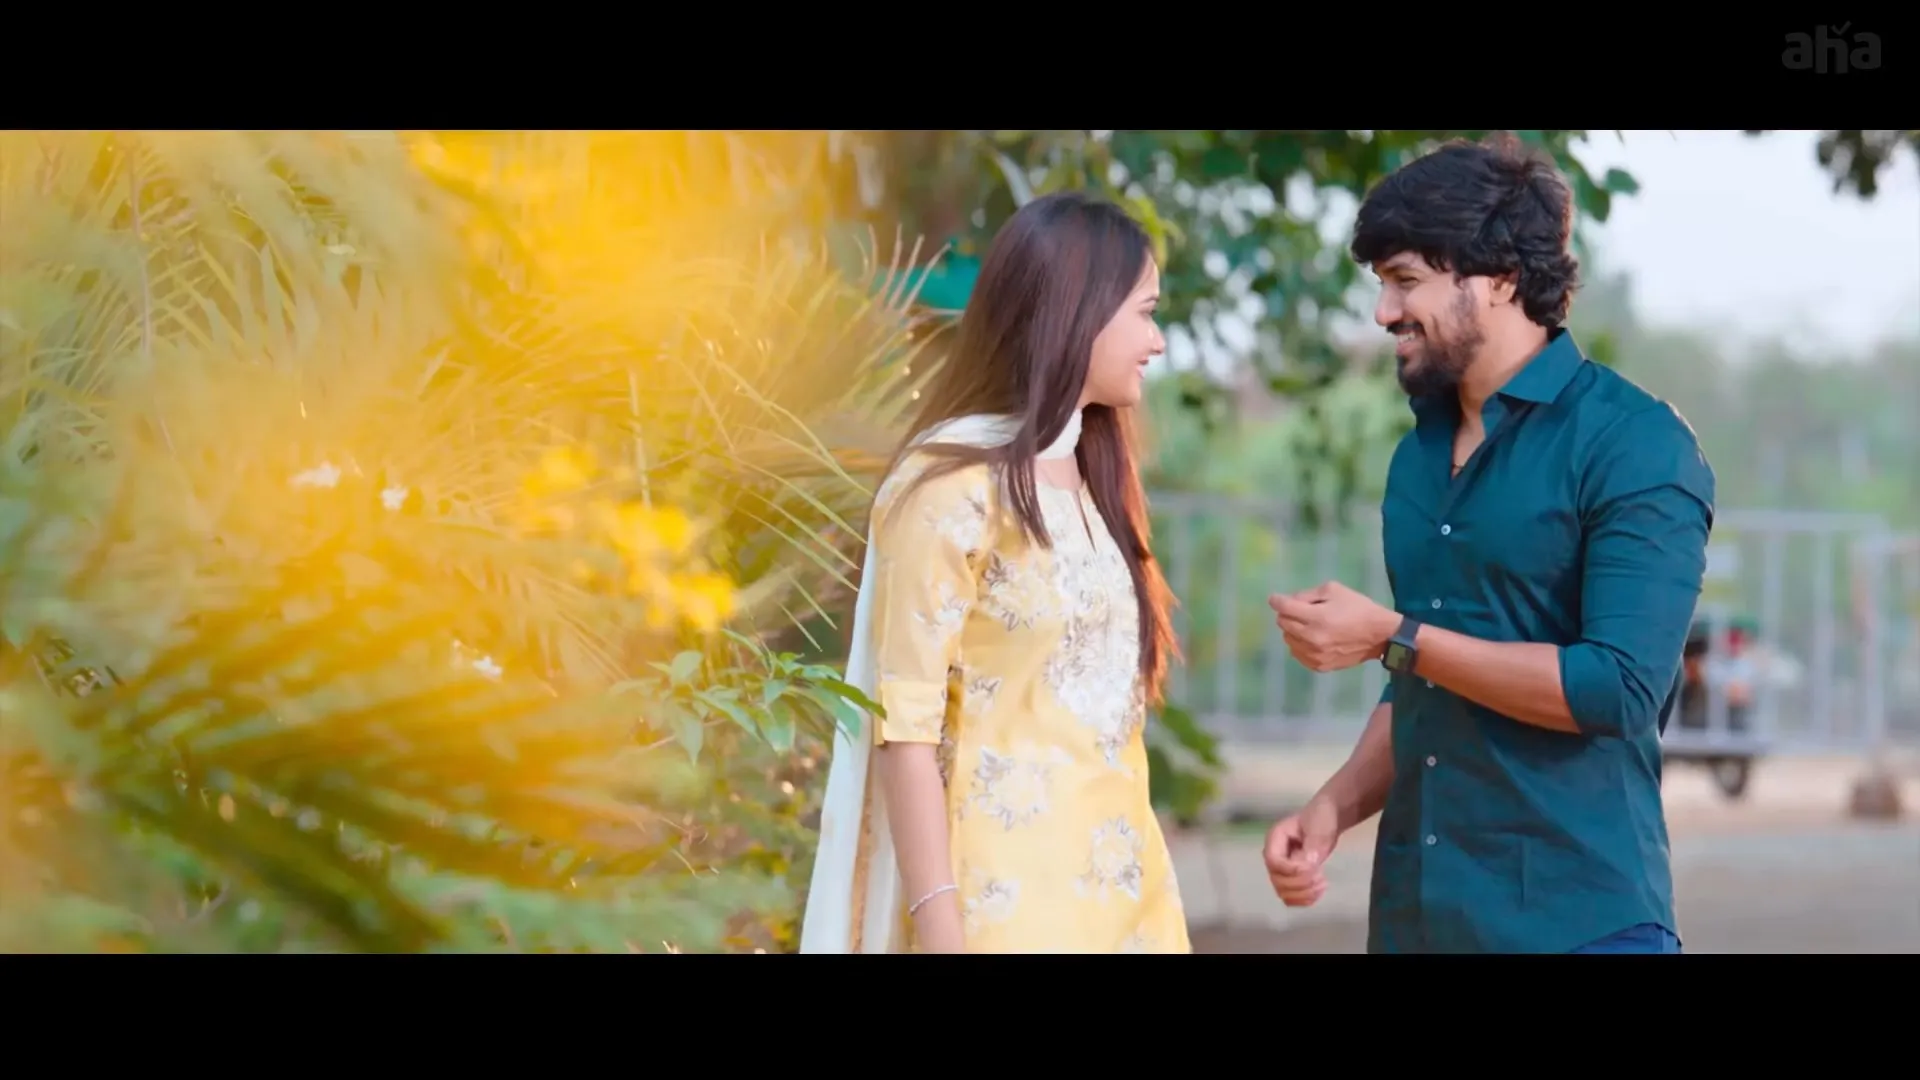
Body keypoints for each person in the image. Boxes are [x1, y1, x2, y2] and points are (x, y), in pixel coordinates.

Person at [1261, 134, 1715, 954]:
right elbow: (1426, 675)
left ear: (1501, 277)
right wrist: (1332, 806)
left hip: (1578, 924)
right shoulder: (1418, 457)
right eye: (1380, 284)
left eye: (1405, 281)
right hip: (1417, 920)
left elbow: (1615, 689)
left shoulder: (1635, 444)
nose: (1383, 312)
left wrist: (1393, 636)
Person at [799, 191, 1191, 953]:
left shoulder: (1090, 478)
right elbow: (904, 729)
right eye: (1145, 313)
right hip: (998, 908)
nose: (1158, 340)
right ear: (1079, 311)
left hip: (1124, 902)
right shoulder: (952, 488)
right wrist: (941, 927)